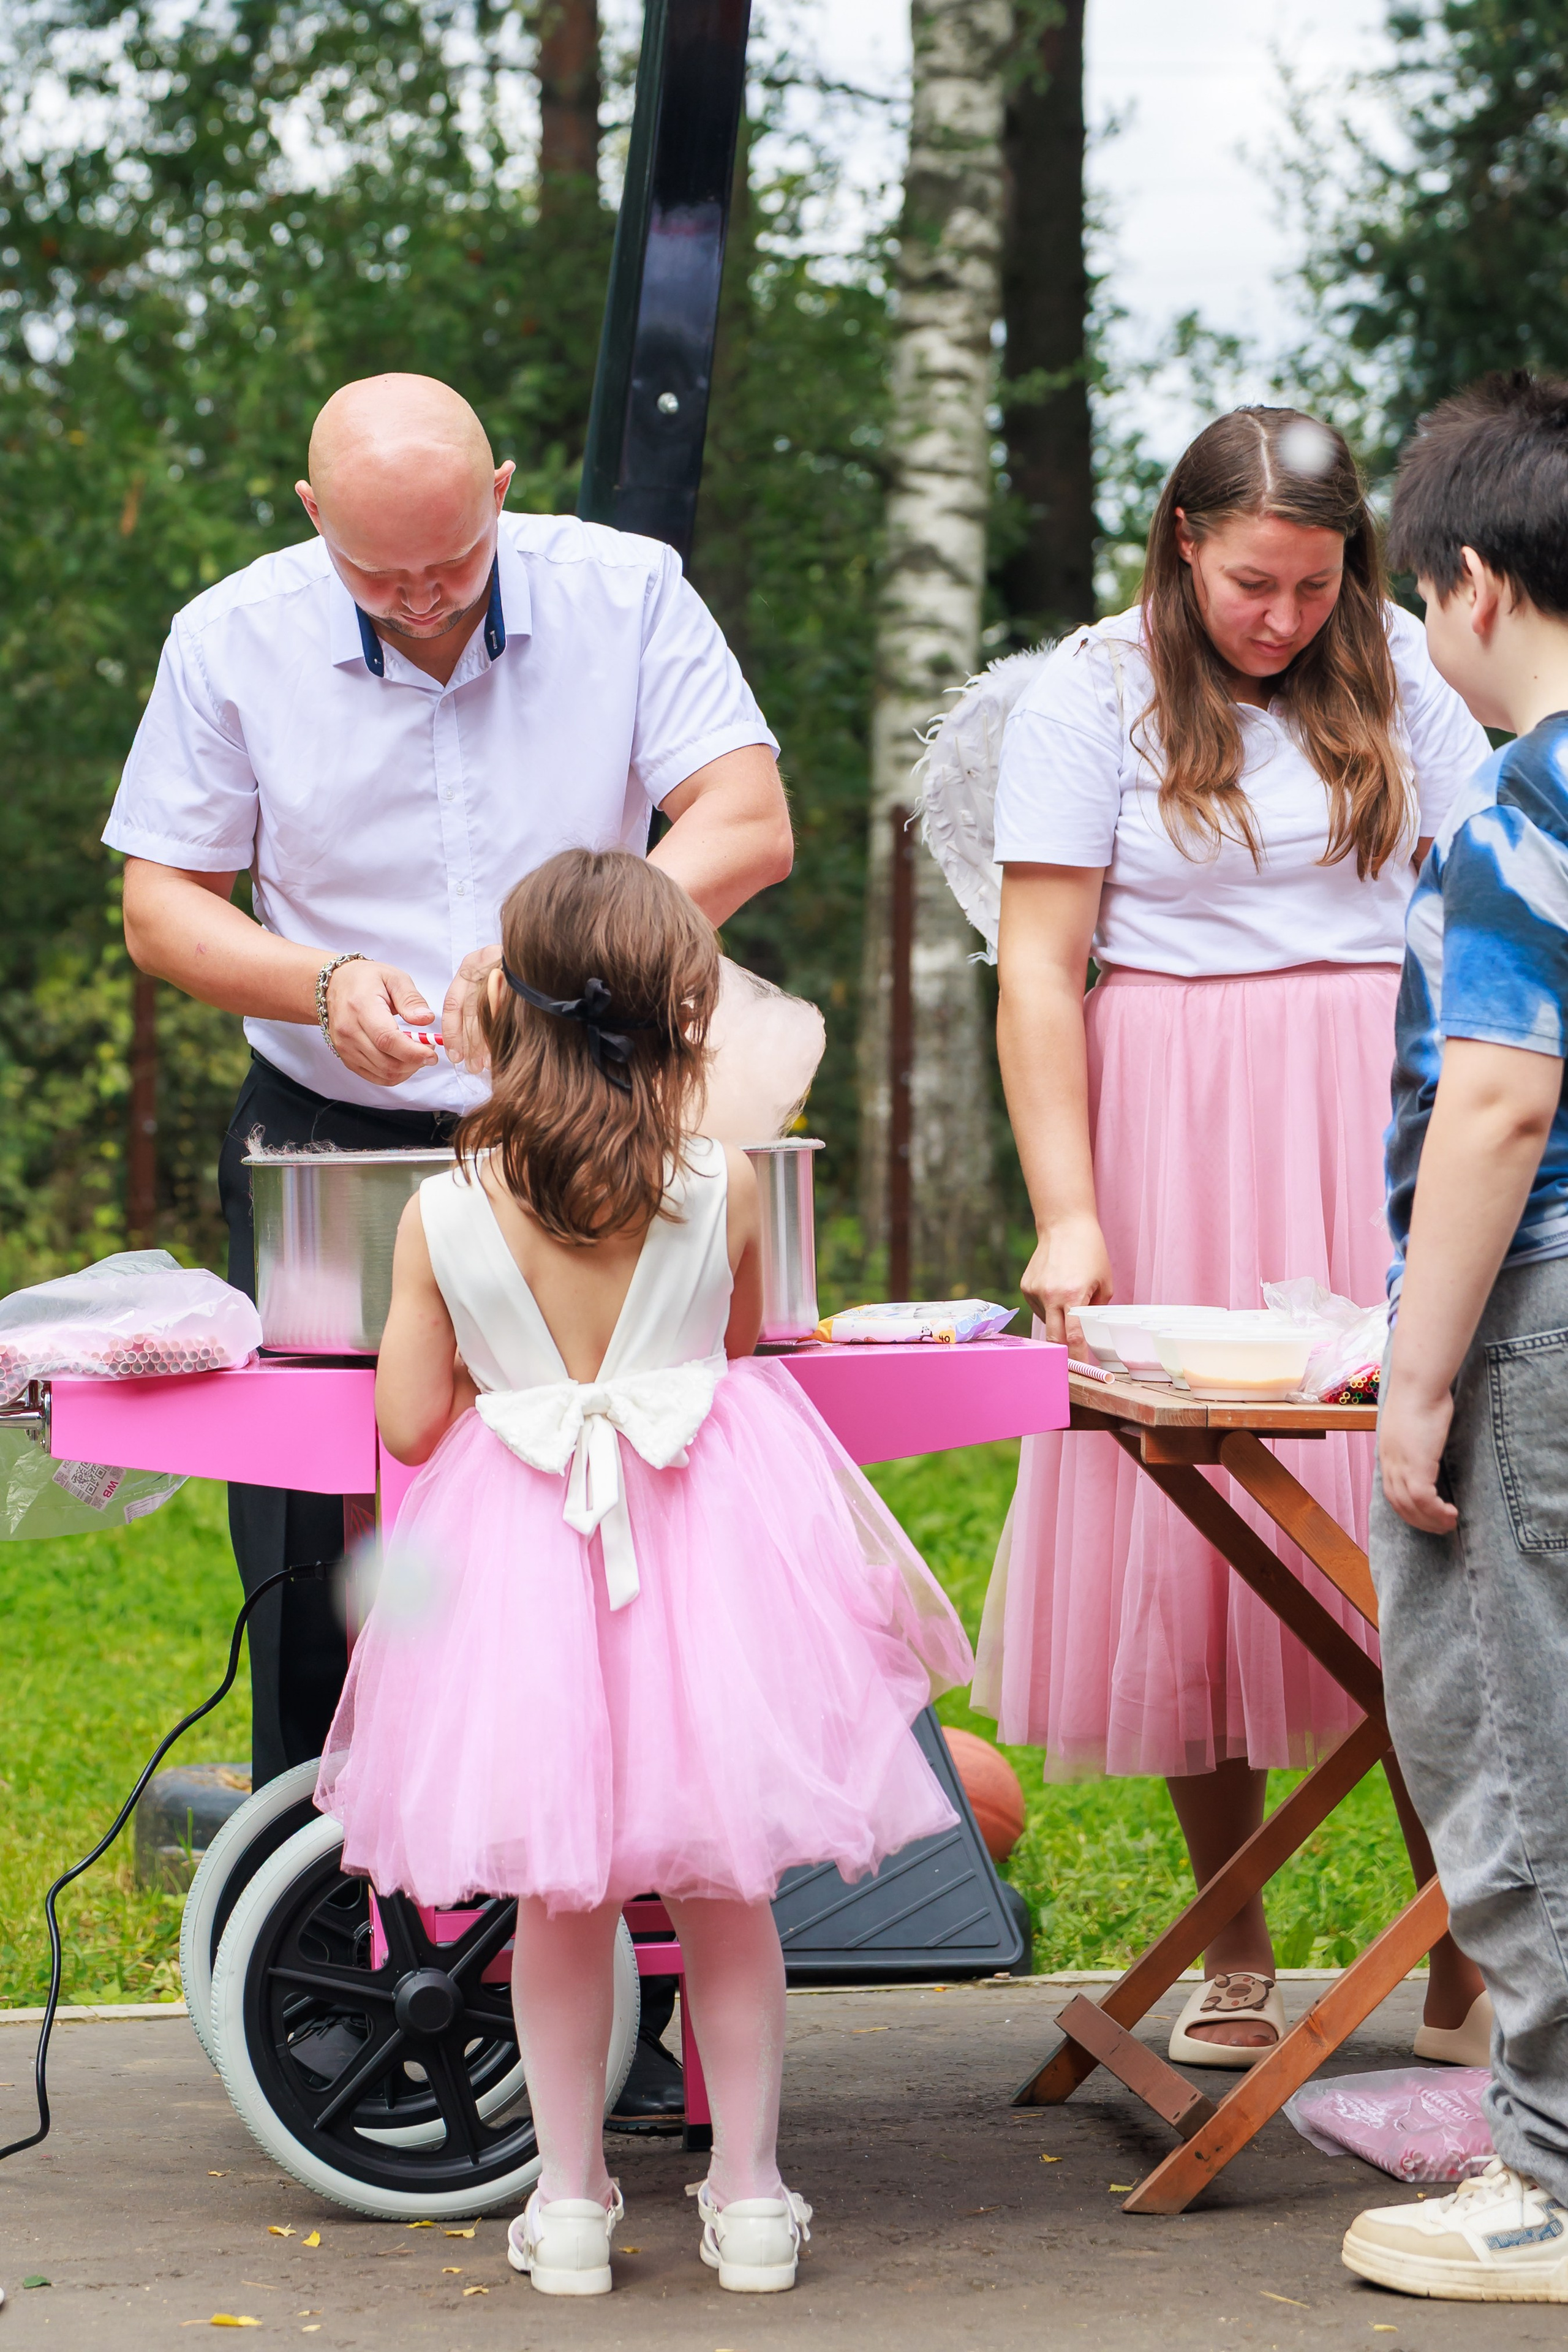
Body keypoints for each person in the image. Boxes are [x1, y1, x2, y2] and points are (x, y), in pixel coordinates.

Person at [102, 371, 791, 2127]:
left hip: (599, 1106)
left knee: (625, 1539)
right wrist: (318, 983)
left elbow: (747, 817)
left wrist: (572, 954)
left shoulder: (625, 589)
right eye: (381, 578)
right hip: (341, 1130)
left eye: (452, 566)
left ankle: (609, 1962)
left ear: (501, 485)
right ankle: (356, 1977)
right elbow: (164, 902)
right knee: (342, 1550)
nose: (423, 604)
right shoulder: (232, 633)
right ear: (315, 518)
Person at [315, 848, 973, 2296]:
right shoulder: (720, 1181)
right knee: (725, 1894)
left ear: (516, 1009)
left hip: (520, 1561)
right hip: (702, 1548)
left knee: (564, 1901)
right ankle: (746, 2200)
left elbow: (412, 1422)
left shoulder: (445, 1210)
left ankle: (565, 2208)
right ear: (680, 1013)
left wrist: (503, 1363)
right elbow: (729, 1350)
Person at [971, 407, 1491, 2060]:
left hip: (1377, 1107)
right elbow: (1040, 969)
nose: (1282, 618)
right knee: (1207, 1536)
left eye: (1317, 587)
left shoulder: (1406, 671)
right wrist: (1070, 1211)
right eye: (1254, 583)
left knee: (1414, 1518)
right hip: (1171, 1112)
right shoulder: (1090, 688)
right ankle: (1238, 1950)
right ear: (1185, 544)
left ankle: (1467, 1936)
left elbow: (1486, 907)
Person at [1341, 373, 1568, 2302]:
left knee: (1516, 1720)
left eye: (1421, 596)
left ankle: (1559, 2189)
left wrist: (1415, 1369)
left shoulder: (1527, 795)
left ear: (1477, 585)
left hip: (1542, 1312)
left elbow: (1499, 1100)